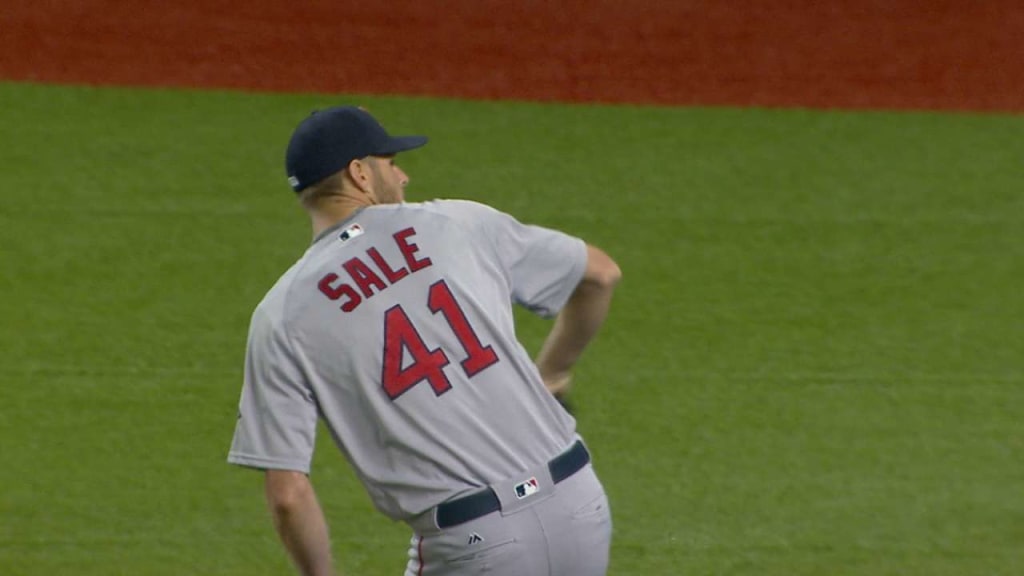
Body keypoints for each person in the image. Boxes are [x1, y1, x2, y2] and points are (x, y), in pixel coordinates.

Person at [227, 105, 622, 576]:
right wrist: (552, 373)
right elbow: (600, 275)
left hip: (475, 542)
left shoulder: (282, 315)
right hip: (581, 502)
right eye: (391, 161)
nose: (404, 175)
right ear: (359, 173)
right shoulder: (457, 222)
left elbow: (288, 495)